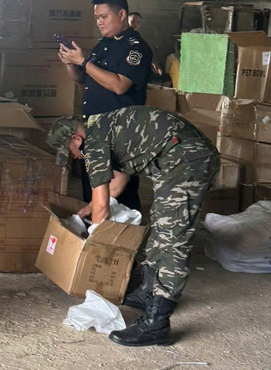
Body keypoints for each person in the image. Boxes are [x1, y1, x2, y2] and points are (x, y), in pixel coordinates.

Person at [46, 107, 219, 347]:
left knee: (172, 240)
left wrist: (96, 244)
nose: (74, 157)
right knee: (159, 224)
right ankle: (148, 292)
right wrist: (90, 208)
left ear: (77, 139)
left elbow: (103, 209)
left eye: (71, 151)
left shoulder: (94, 143)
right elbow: (119, 181)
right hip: (177, 159)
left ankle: (157, 324)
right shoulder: (102, 129)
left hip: (186, 160)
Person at [58, 0, 152, 211]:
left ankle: (125, 232)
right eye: (97, 18)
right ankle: (92, 230)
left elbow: (120, 85)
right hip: (95, 131)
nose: (99, 22)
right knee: (92, 191)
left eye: (103, 17)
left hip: (120, 134)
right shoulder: (103, 45)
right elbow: (83, 78)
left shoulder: (136, 48)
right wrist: (71, 63)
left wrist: (83, 62)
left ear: (121, 14)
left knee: (120, 198)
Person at [128, 11, 163, 76]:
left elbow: (144, 50)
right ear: (126, 22)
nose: (135, 24)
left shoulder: (136, 36)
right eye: (132, 21)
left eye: (138, 22)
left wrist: (154, 63)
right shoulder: (121, 34)